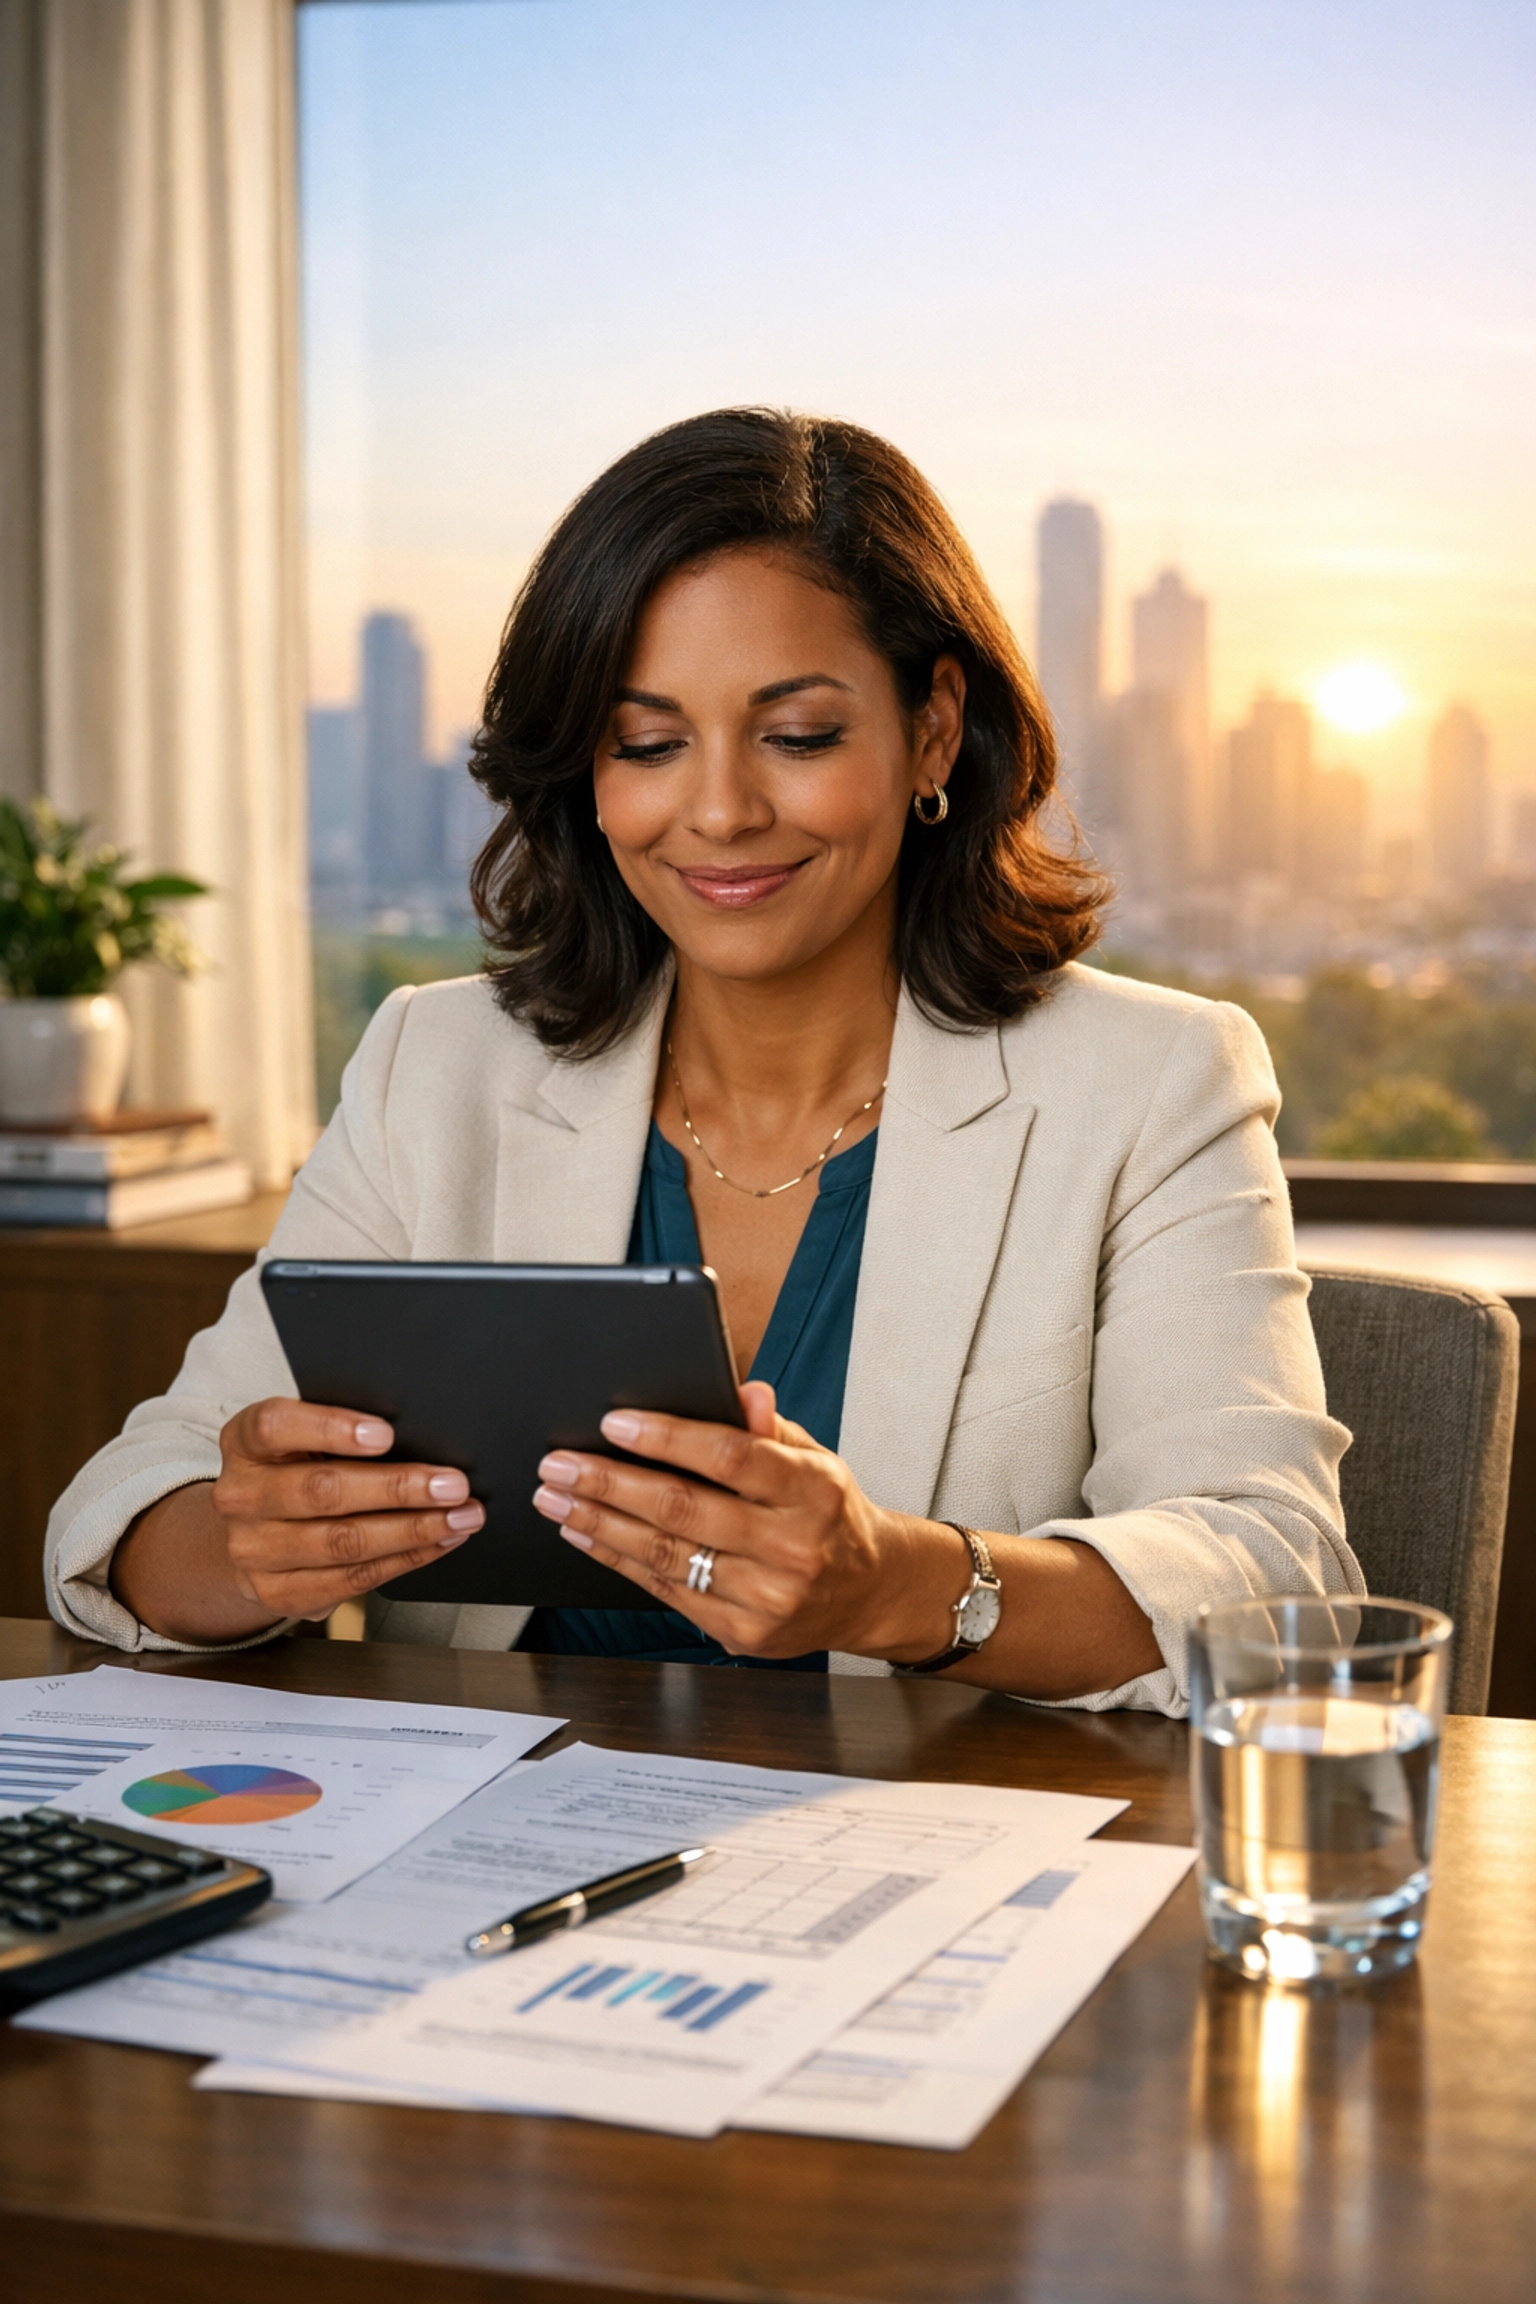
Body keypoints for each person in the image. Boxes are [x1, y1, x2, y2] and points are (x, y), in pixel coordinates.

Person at [45, 408, 1360, 1709]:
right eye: (649, 744)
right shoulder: (431, 1066)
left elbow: (1275, 1579)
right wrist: (248, 1547)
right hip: (492, 1826)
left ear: (933, 731)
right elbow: (121, 1521)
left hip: (934, 1827)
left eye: (799, 736)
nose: (721, 810)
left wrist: (897, 1587)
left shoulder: (1152, 1083)